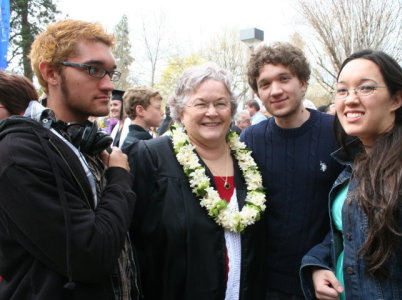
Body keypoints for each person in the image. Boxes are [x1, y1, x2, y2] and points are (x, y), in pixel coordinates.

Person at [0, 20, 139, 299]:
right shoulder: (20, 153)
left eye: (110, 72)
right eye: (93, 69)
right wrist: (119, 177)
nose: (108, 84)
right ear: (51, 72)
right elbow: (90, 256)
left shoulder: (88, 143)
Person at [300, 50, 402, 299]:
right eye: (342, 90)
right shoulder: (355, 163)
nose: (350, 100)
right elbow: (348, 232)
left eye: (365, 88)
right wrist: (318, 264)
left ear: (397, 99)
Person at [127, 63, 266, 300]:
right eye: (201, 104)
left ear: (231, 110)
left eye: (221, 104)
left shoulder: (248, 161)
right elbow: (133, 244)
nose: (212, 112)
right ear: (180, 111)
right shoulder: (151, 157)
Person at [240, 42, 342, 299]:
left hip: (323, 279)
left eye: (284, 78)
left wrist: (323, 258)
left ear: (303, 82)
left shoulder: (337, 133)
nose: (275, 90)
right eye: (265, 84)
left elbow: (353, 210)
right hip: (265, 283)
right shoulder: (250, 139)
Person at [121, 86, 164, 151]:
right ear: (140, 111)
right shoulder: (139, 145)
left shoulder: (133, 140)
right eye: (158, 108)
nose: (162, 113)